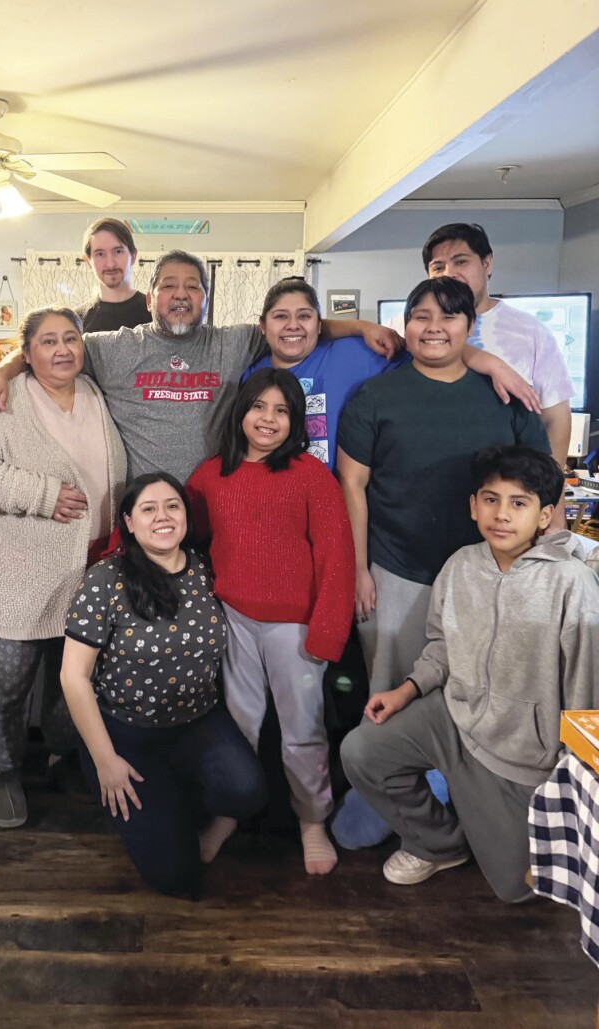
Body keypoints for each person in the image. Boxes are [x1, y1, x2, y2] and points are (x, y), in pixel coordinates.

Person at [332, 277, 550, 849]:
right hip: (398, 570)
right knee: (390, 694)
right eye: (421, 316)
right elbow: (351, 485)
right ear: (406, 327)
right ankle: (402, 813)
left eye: (449, 317)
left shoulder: (502, 395)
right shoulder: (376, 397)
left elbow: (537, 485)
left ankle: (469, 807)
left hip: (492, 578)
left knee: (482, 697)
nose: (434, 327)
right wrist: (359, 570)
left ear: (469, 327)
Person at [341, 446, 599, 902]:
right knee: (363, 749)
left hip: (523, 755)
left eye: (519, 503)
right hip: (454, 715)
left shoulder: (571, 584)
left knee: (515, 889)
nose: (502, 514)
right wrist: (408, 689)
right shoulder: (461, 565)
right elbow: (441, 644)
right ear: (473, 505)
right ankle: (438, 843)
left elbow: (585, 688)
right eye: (491, 499)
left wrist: (569, 775)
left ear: (544, 516)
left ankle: (487, 817)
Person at [0, 250, 403, 484]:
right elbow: (50, 344)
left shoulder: (234, 341)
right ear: (149, 298)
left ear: (206, 300)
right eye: (169, 286)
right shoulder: (114, 349)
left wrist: (363, 326)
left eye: (193, 287)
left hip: (217, 504)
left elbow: (293, 327)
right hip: (138, 507)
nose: (181, 295)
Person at [0, 306, 127, 828]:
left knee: (75, 681)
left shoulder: (94, 393)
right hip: (14, 572)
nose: (62, 349)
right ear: (27, 353)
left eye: (70, 338)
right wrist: (41, 494)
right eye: (47, 341)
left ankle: (64, 758)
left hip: (88, 573)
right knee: (7, 683)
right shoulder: (3, 400)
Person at [60, 473, 267, 898]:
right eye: (149, 509)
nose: (163, 517)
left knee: (250, 792)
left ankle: (177, 801)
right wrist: (105, 761)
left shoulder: (207, 568)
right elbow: (73, 676)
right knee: (176, 877)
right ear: (129, 523)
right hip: (124, 733)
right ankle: (151, 808)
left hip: (197, 722)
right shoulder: (106, 579)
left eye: (173, 506)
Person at [187, 369, 355, 874]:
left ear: (295, 422)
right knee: (237, 726)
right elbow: (180, 538)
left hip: (296, 628)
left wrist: (327, 630)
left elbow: (337, 556)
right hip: (234, 619)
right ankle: (227, 812)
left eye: (281, 411)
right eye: (259, 406)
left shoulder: (310, 476)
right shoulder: (209, 475)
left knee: (303, 729)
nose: (268, 419)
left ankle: (312, 821)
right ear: (241, 413)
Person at [244, 275, 542, 469]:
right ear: (263, 326)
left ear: (320, 325)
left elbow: (430, 349)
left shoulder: (354, 353)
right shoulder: (251, 378)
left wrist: (491, 363)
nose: (293, 326)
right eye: (281, 317)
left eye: (305, 316)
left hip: (340, 504)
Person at [395, 223, 574, 478]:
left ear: (487, 264)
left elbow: (555, 418)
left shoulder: (531, 332)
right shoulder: (411, 330)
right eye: (438, 267)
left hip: (506, 494)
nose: (450, 274)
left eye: (461, 262)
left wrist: (550, 495)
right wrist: (489, 363)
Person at [75, 217, 150, 332]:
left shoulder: (156, 314)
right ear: (88, 262)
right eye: (100, 254)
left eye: (118, 251)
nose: (110, 264)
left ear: (133, 256)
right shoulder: (75, 321)